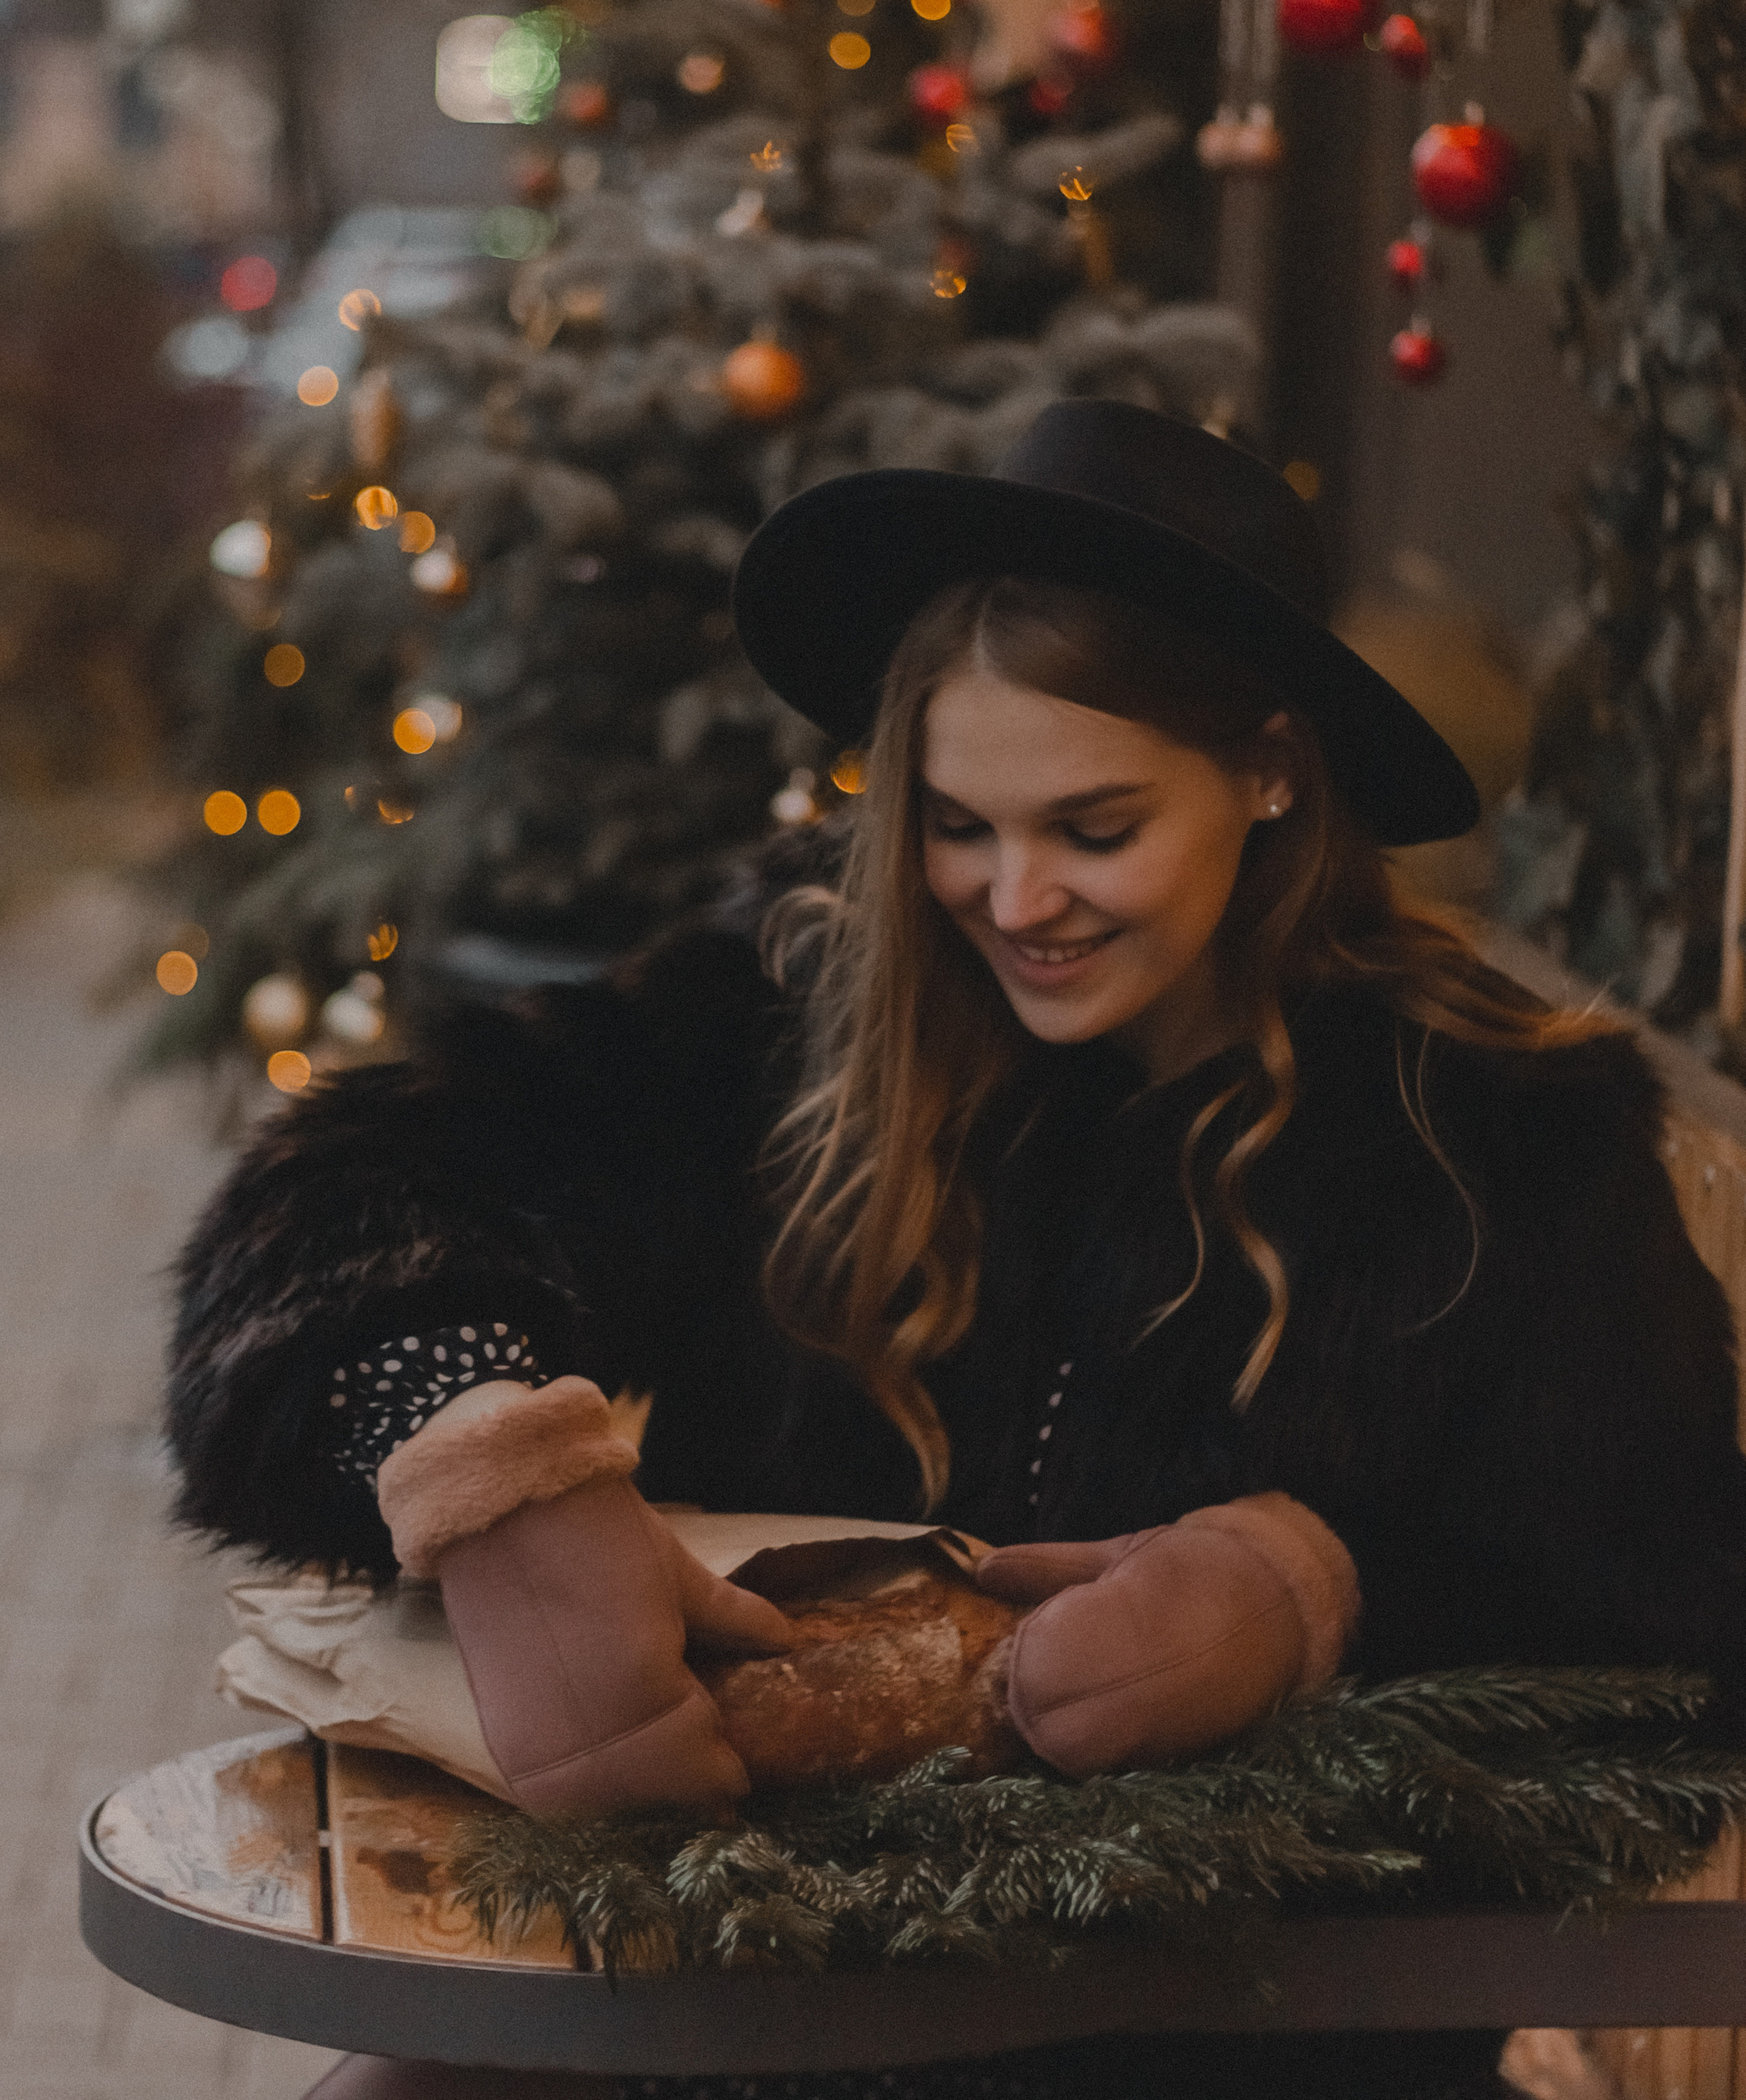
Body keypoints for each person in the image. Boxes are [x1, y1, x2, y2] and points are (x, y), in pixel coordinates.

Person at [168, 400, 1746, 2100]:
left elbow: (1669, 1626)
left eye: (1092, 825)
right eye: (955, 823)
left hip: (1240, 2040)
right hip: (752, 2013)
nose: (1011, 899)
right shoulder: (790, 1020)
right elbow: (330, 1203)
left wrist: (1314, 1597)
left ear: (1271, 772)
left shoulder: (1493, 1139)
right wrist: (501, 1477)